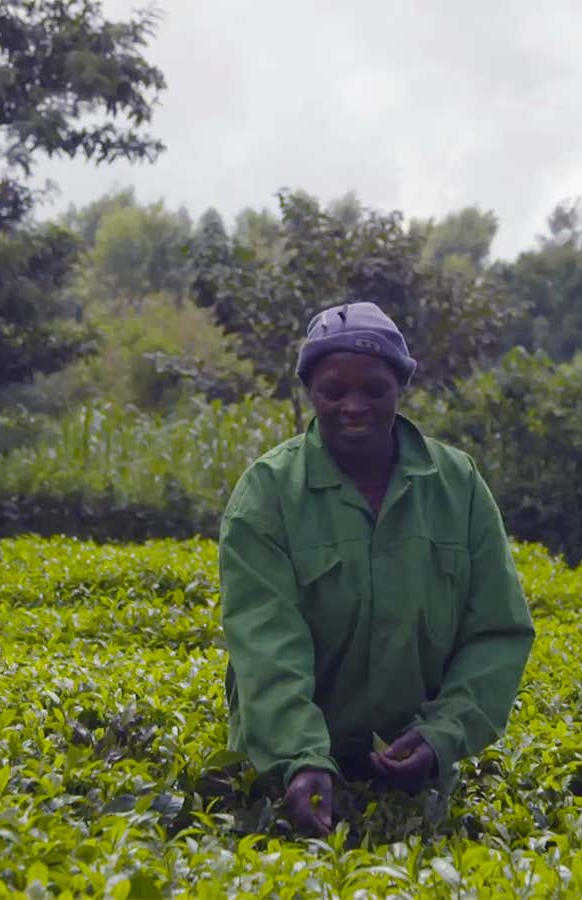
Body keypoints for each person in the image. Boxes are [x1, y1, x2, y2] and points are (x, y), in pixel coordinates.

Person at [217, 299, 535, 837]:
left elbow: (497, 632)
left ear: (400, 387)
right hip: (291, 783)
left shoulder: (457, 486)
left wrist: (441, 734)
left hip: (416, 785)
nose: (353, 406)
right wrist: (301, 756)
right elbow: (266, 643)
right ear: (310, 393)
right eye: (333, 392)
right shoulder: (267, 494)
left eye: (374, 390)